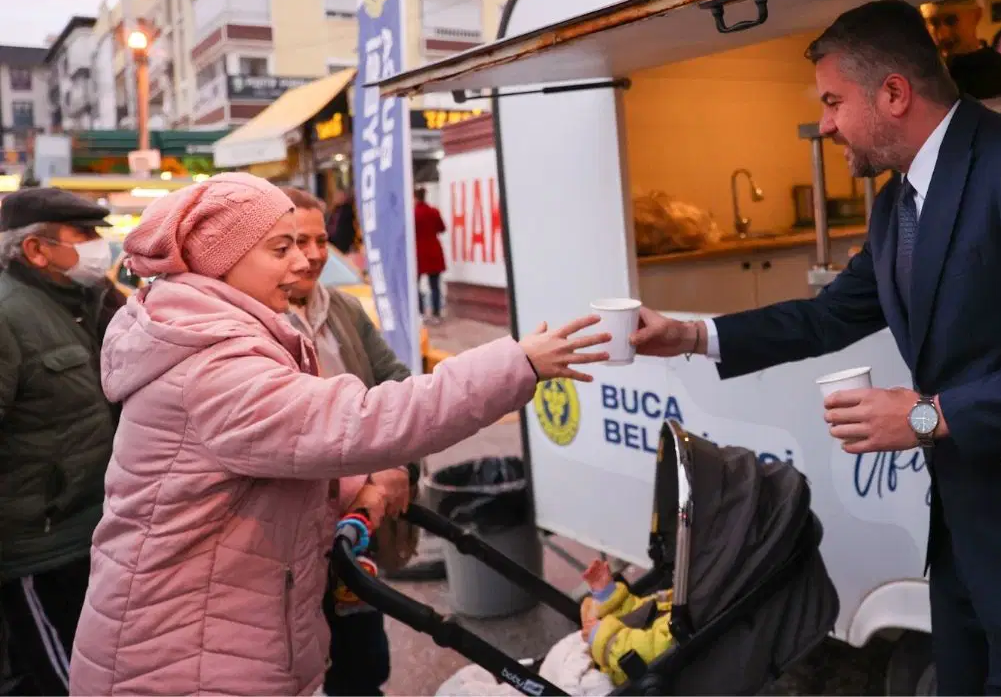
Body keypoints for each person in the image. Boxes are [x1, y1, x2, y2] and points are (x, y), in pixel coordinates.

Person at [630, 0, 1001, 695]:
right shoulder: (897, 204)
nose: (825, 123)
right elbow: (828, 318)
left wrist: (925, 415)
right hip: (965, 552)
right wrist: (690, 334)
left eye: (833, 101)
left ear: (894, 93)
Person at [67, 172, 610, 696]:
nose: (304, 262)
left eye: (308, 244)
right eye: (281, 249)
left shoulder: (212, 335)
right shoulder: (213, 365)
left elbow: (267, 460)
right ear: (221, 260)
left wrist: (354, 491)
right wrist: (516, 364)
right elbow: (364, 420)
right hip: (183, 656)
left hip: (219, 630)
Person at [279, 187, 417, 696]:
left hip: (355, 529)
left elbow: (397, 386)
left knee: (362, 665)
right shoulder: (250, 324)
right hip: (289, 540)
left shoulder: (342, 310)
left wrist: (396, 463)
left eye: (321, 239)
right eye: (295, 241)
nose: (314, 254)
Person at [0, 188, 127, 696]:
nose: (99, 246)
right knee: (64, 681)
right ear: (36, 250)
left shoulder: (90, 302)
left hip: (89, 531)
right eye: (84, 235)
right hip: (36, 546)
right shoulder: (9, 315)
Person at [921, 0, 1001, 99]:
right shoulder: (925, 80)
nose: (943, 35)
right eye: (934, 23)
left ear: (976, 15)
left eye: (951, 21)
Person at [579, 560, 672, 687]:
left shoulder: (696, 603)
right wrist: (609, 597)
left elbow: (659, 649)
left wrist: (608, 640)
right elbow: (641, 617)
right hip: (609, 658)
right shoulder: (682, 594)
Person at [415, 187, 447, 324]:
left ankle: (420, 312)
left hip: (418, 252)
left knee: (414, 285)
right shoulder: (434, 211)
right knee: (435, 285)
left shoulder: (413, 213)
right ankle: (436, 313)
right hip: (433, 251)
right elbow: (442, 228)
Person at [327, 188, 359, 254]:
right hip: (332, 242)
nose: (336, 198)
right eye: (335, 196)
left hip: (342, 242)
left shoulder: (347, 210)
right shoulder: (333, 211)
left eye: (339, 196)